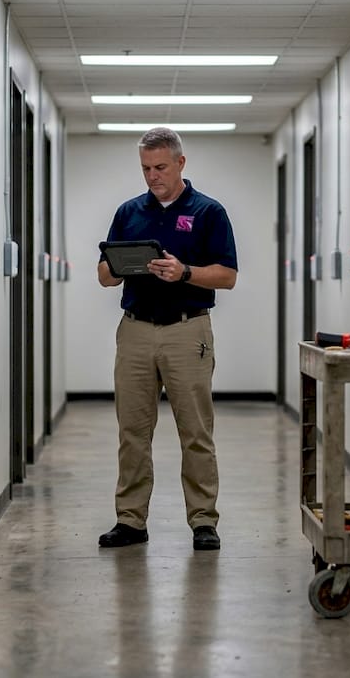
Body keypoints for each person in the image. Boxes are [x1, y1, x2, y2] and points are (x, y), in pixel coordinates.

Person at [96, 127, 238, 551]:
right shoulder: (129, 212)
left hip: (187, 329)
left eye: (160, 167)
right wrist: (125, 265)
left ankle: (203, 521)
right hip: (136, 330)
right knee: (132, 431)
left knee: (195, 431)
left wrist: (185, 272)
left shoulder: (208, 211)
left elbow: (228, 276)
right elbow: (103, 275)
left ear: (180, 163)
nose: (152, 176)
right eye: (145, 168)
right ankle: (130, 521)